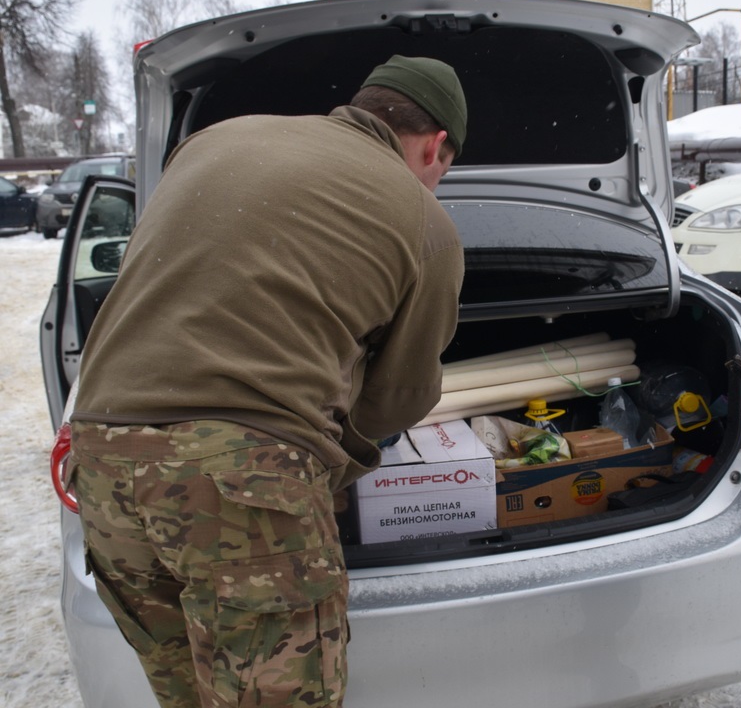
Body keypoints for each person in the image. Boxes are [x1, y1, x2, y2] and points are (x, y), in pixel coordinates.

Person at [67, 54, 468, 708]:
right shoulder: (426, 224)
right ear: (435, 144)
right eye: (443, 171)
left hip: (101, 458)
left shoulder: (212, 141)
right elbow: (402, 395)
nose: (437, 184)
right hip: (239, 482)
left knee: (187, 695)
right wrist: (332, 463)